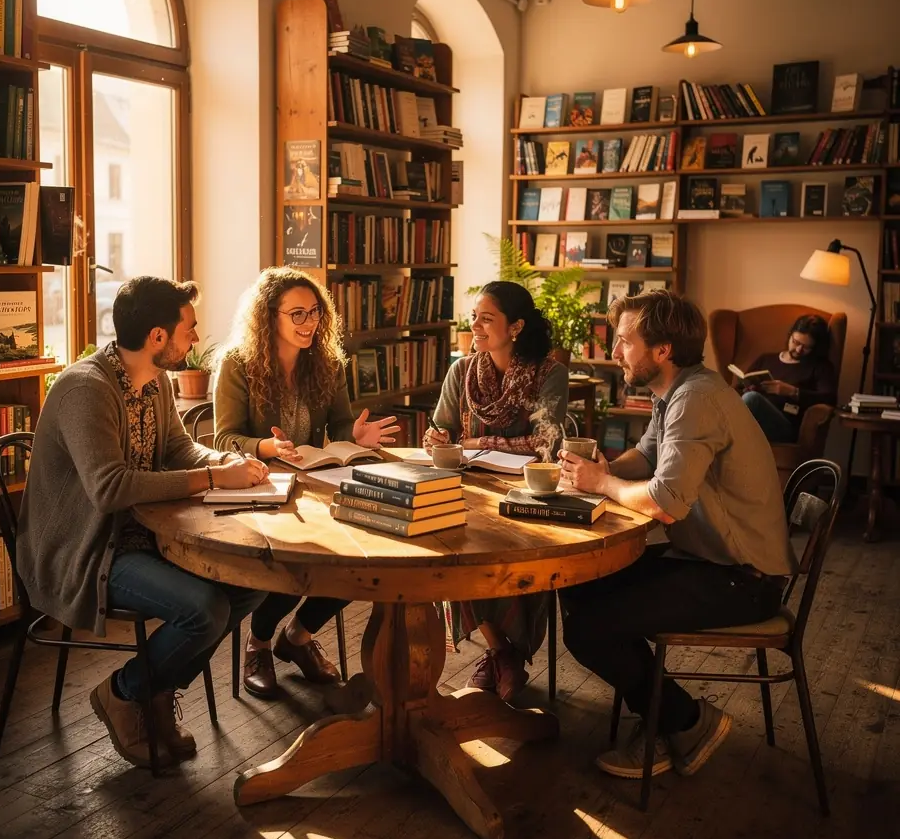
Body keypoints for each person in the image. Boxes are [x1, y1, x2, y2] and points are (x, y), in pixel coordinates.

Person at [18, 277, 270, 769]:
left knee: (252, 582)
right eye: (189, 329)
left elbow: (178, 450)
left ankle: (154, 693)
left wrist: (229, 466)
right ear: (159, 337)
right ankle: (124, 692)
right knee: (204, 609)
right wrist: (214, 476)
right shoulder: (85, 388)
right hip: (87, 551)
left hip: (144, 537)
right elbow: (109, 488)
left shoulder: (152, 380)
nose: (195, 340)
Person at [557, 289, 797, 781]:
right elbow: (644, 458)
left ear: (662, 350)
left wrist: (601, 484)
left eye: (624, 342)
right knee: (580, 582)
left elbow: (665, 504)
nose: (615, 352)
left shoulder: (696, 400)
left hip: (743, 579)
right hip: (709, 560)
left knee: (587, 628)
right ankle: (663, 717)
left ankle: (686, 721)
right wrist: (601, 467)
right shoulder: (677, 392)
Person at [213, 266, 399, 699]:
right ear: (268, 316)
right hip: (261, 486)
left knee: (364, 560)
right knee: (293, 563)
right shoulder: (237, 364)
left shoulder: (327, 363)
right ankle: (257, 644)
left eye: (315, 312)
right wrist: (268, 448)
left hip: (315, 484)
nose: (310, 323)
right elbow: (223, 438)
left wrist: (355, 436)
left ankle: (296, 636)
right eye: (296, 314)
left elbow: (338, 425)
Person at [424, 280, 568, 702]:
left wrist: (474, 443)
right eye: (474, 317)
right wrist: (437, 440)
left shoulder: (550, 373)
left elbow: (546, 444)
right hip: (470, 491)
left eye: (487, 319)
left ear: (517, 326)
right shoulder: (462, 371)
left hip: (529, 497)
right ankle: (501, 652)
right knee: (449, 550)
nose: (476, 327)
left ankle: (503, 655)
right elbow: (443, 432)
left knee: (513, 558)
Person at [736, 314, 836, 443]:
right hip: (751, 421)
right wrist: (746, 388)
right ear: (790, 336)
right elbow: (738, 388)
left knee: (752, 399)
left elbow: (829, 398)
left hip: (785, 426)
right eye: (796, 342)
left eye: (807, 347)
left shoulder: (820, 366)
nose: (799, 350)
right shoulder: (766, 359)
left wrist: (793, 392)